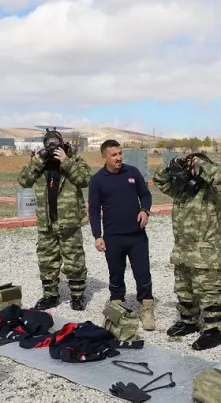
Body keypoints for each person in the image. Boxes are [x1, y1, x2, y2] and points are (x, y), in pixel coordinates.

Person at [152, 151, 221, 350]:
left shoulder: (213, 190)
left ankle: (213, 330)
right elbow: (159, 180)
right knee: (184, 288)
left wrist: (200, 164)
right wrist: (173, 165)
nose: (189, 169)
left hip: (205, 250)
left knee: (208, 290)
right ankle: (188, 321)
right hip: (182, 248)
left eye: (192, 166)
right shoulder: (181, 189)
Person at [18, 129, 92, 311]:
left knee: (74, 259)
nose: (52, 147)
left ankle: (77, 295)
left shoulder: (74, 158)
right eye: (48, 144)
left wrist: (66, 161)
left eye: (55, 143)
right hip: (47, 221)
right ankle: (50, 295)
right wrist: (38, 160)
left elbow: (85, 180)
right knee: (47, 260)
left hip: (69, 219)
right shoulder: (39, 161)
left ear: (62, 144)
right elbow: (24, 181)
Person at [88, 139, 155, 330]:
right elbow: (94, 210)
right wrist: (97, 236)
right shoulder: (98, 180)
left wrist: (145, 210)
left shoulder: (132, 172)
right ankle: (117, 310)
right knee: (116, 275)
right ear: (104, 157)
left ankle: (147, 308)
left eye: (120, 153)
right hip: (113, 237)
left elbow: (145, 195)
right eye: (114, 155)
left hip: (137, 236)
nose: (118, 158)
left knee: (143, 274)